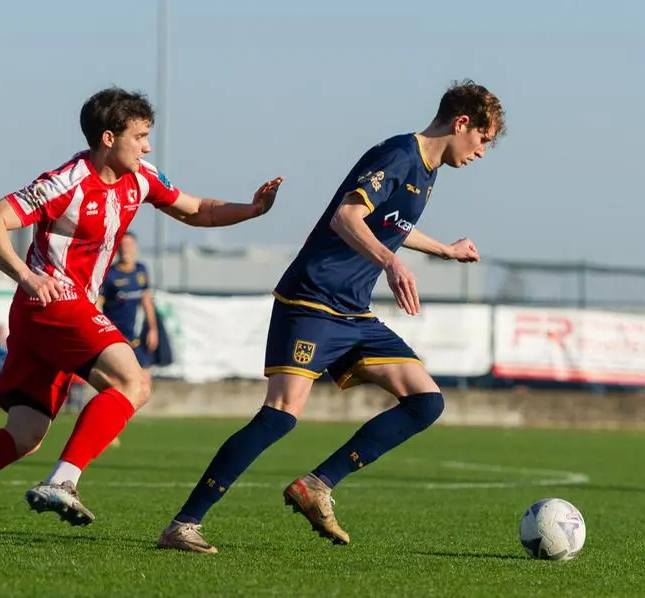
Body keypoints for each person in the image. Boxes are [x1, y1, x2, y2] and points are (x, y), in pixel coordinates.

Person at [0, 86, 283, 540]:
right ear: (108, 138)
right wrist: (27, 276)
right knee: (135, 382)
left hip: (50, 314)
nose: (148, 146)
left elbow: (198, 211)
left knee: (24, 434)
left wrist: (251, 210)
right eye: (141, 136)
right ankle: (63, 481)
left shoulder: (141, 178)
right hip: (52, 303)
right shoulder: (65, 181)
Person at [157, 79, 506, 553]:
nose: (482, 152)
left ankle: (318, 485)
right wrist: (391, 262)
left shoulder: (427, 170)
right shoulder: (399, 155)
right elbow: (346, 218)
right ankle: (184, 524)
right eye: (483, 139)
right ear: (462, 123)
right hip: (312, 299)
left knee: (426, 402)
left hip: (352, 311)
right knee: (279, 416)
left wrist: (443, 249)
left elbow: (394, 224)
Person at [98, 231, 158, 369]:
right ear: (117, 247)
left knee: (145, 378)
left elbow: (146, 299)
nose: (125, 248)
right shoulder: (109, 274)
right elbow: (98, 307)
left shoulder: (141, 270)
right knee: (122, 379)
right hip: (115, 338)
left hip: (134, 339)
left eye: (129, 244)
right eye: (122, 244)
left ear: (135, 247)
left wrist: (153, 329)